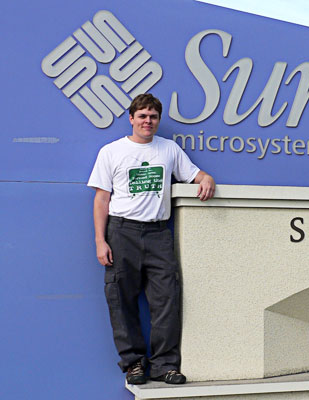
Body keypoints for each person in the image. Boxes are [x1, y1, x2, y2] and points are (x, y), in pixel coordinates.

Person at [88, 93, 215, 385]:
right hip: (122, 232)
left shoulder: (168, 150)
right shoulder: (112, 152)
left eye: (153, 117)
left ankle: (164, 365)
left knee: (166, 300)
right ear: (131, 119)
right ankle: (133, 363)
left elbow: (195, 175)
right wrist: (100, 240)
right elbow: (101, 199)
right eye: (142, 116)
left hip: (159, 233)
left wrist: (206, 178)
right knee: (121, 299)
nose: (148, 121)